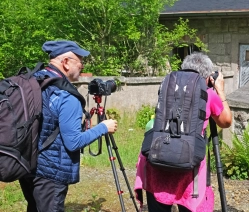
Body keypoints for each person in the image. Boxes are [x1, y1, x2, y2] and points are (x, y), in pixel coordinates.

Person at [18, 40, 118, 212]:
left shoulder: (34, 82)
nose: (82, 65)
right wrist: (103, 127)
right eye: (79, 60)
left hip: (27, 165)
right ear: (65, 62)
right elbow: (73, 142)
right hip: (50, 173)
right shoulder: (66, 96)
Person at [134, 52, 232, 212]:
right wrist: (220, 90)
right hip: (188, 168)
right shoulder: (208, 94)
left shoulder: (168, 86)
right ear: (208, 77)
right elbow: (226, 121)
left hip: (159, 160)